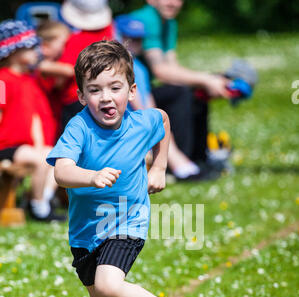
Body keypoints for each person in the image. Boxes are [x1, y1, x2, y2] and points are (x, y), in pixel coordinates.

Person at [46, 40, 196, 297]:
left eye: (115, 88)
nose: (106, 98)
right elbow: (62, 172)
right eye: (94, 90)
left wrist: (159, 167)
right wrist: (90, 176)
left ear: (131, 91)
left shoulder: (141, 120)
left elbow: (161, 119)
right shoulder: (79, 128)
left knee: (111, 286)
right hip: (85, 231)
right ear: (82, 96)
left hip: (127, 222)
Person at [130, 0, 231, 169]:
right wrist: (206, 80)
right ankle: (178, 164)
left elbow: (172, 68)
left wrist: (208, 82)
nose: (172, 3)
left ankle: (198, 157)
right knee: (181, 93)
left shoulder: (169, 23)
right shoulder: (146, 20)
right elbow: (161, 70)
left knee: (194, 93)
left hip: (147, 89)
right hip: (133, 96)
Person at [115, 14, 203, 181]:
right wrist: (150, 120)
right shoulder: (119, 64)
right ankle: (178, 164)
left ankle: (177, 162)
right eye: (129, 38)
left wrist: (156, 117)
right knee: (156, 127)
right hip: (122, 121)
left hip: (135, 119)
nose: (133, 44)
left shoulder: (139, 67)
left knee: (162, 122)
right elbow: (135, 99)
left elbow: (147, 97)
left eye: (138, 40)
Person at [0, 19, 64, 222]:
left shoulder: (30, 82)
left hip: (25, 145)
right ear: (13, 51)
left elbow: (35, 118)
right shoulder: (1, 80)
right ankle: (38, 209)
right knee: (39, 160)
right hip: (6, 145)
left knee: (54, 157)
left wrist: (41, 145)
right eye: (29, 47)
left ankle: (40, 202)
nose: (35, 51)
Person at [58, 0, 115, 129]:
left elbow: (63, 77)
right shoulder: (110, 31)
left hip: (77, 100)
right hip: (106, 97)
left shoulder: (75, 40)